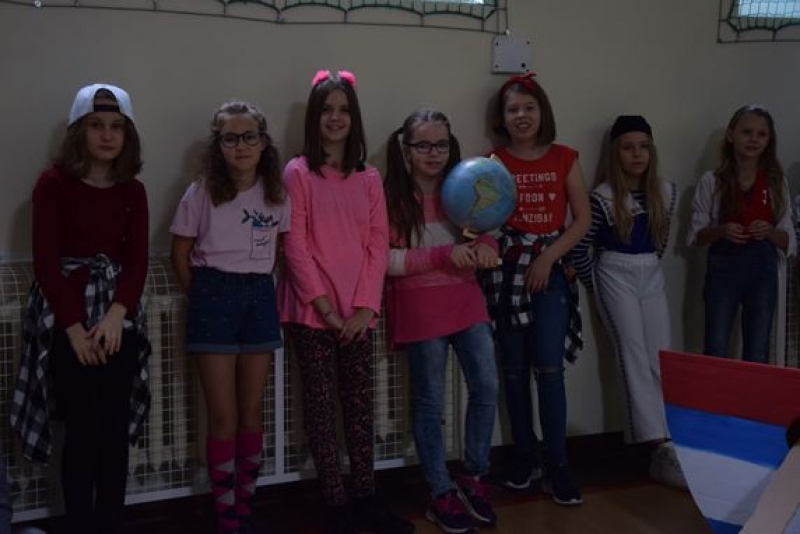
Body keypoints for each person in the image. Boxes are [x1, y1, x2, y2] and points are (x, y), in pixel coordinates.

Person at [277, 70, 414, 534]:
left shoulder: (369, 177)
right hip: (312, 312)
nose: (335, 118)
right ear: (314, 118)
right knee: (319, 408)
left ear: (354, 118)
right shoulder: (298, 172)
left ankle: (367, 497)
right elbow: (295, 245)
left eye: (343, 110)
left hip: (358, 313)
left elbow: (377, 244)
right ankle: (335, 504)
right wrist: (326, 310)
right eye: (326, 110)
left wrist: (364, 308)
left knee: (359, 405)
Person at [11, 83, 151, 534]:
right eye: (96, 125)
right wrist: (73, 329)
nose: (107, 135)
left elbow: (138, 262)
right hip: (67, 318)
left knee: (113, 432)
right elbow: (46, 263)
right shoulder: (52, 185)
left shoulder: (133, 191)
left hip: (117, 319)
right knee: (81, 431)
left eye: (116, 127)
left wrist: (116, 316)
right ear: (79, 131)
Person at [170, 101, 289, 534]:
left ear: (263, 143)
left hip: (258, 295)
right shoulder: (201, 192)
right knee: (222, 414)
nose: (241, 146)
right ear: (217, 145)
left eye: (249, 137)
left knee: (251, 410)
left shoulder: (276, 193)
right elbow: (180, 255)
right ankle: (226, 516)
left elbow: (281, 250)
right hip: (212, 295)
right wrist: (206, 297)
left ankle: (246, 505)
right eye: (230, 138)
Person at [383, 110, 499, 533]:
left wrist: (486, 246)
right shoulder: (391, 198)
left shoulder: (463, 187)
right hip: (420, 308)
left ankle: (473, 476)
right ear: (406, 149)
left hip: (466, 301)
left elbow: (484, 229)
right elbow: (385, 260)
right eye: (423, 145)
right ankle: (440, 491)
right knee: (429, 402)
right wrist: (442, 255)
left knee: (486, 386)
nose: (433, 153)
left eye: (441, 145)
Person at [483, 73, 590, 506]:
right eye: (513, 109)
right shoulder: (494, 162)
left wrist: (547, 258)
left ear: (542, 112)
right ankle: (523, 459)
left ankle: (558, 465)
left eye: (529, 107)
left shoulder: (565, 158)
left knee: (549, 370)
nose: (521, 115)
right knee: (512, 371)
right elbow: (481, 216)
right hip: (507, 273)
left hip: (550, 273)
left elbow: (582, 220)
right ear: (502, 118)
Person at [571, 115, 684, 487]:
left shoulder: (664, 192)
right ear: (615, 152)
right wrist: (596, 286)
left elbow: (660, 241)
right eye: (628, 147)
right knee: (632, 354)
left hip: (649, 270)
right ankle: (654, 445)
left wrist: (647, 266)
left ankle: (672, 437)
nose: (637, 155)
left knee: (660, 354)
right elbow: (581, 249)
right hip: (614, 272)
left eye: (643, 147)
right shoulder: (603, 197)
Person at [688, 105, 795, 363]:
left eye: (761, 134)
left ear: (769, 140)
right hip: (723, 268)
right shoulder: (711, 181)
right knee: (716, 346)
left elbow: (788, 240)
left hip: (762, 270)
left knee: (758, 350)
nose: (753, 139)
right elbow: (696, 236)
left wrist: (769, 231)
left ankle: (754, 392)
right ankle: (714, 391)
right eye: (747, 132)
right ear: (731, 135)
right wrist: (721, 231)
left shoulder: (776, 183)